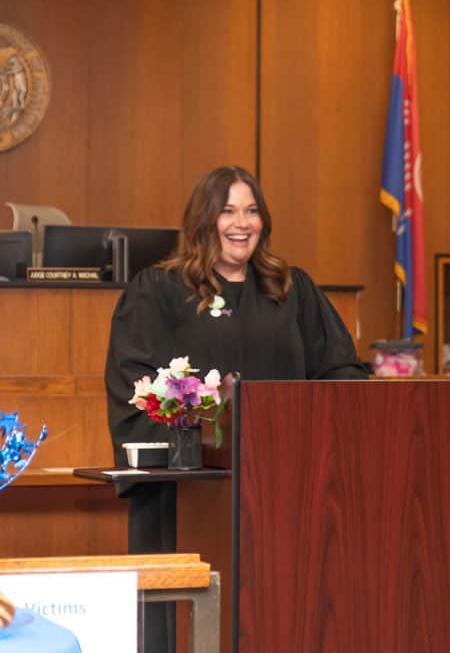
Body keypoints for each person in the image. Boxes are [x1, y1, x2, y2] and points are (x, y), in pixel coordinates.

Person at [105, 165, 367, 653]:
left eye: (251, 211)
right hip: (189, 497)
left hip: (287, 491)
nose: (240, 223)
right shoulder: (159, 290)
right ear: (203, 220)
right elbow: (133, 387)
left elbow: (340, 373)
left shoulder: (290, 290)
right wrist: (194, 437)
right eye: (227, 211)